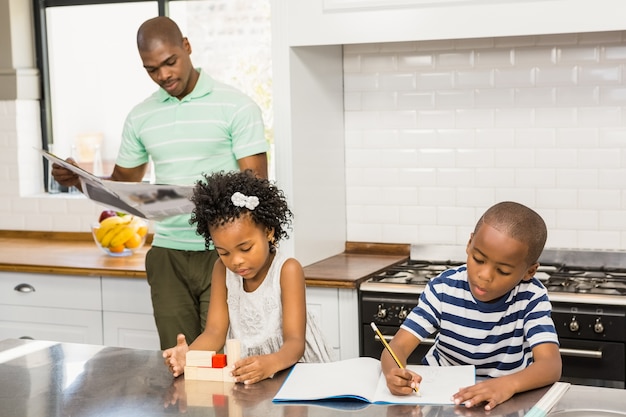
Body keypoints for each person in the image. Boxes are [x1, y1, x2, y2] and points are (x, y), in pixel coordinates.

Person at [50, 16, 269, 350]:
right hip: (168, 254)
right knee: (178, 360)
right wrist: (79, 179)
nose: (164, 75)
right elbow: (124, 184)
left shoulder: (236, 106)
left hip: (223, 253)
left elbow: (255, 186)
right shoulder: (141, 117)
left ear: (187, 46)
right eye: (152, 69)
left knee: (225, 360)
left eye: (170, 62)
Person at [381, 201, 562, 411]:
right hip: (442, 400)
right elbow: (397, 347)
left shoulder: (531, 297)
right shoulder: (443, 288)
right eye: (478, 259)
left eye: (503, 271)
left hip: (501, 402)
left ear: (529, 272)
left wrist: (507, 385)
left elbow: (550, 365)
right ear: (469, 244)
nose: (484, 276)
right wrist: (393, 372)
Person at [163, 170, 334, 384]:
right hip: (252, 375)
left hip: (296, 373)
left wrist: (270, 363)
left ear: (269, 232)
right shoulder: (221, 270)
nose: (236, 261)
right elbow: (215, 332)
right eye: (223, 252)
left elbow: (295, 343)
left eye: (245, 248)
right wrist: (188, 356)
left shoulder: (287, 270)